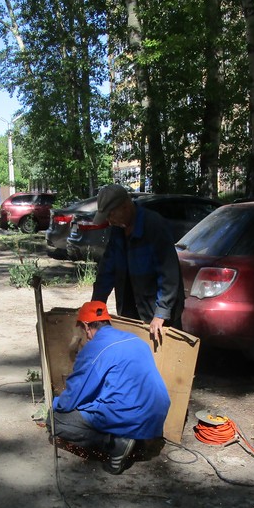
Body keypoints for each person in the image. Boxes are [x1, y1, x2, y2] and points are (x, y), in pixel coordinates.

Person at [49, 301, 171, 474]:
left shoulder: (95, 348)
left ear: (86, 326)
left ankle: (115, 444)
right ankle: (135, 442)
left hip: (130, 415)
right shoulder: (135, 340)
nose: (85, 336)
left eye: (83, 331)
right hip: (156, 414)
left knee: (55, 420)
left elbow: (72, 397)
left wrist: (54, 404)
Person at [91, 184, 185, 345]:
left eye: (111, 215)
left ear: (125, 206)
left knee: (161, 365)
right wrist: (95, 307)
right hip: (130, 311)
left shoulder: (154, 226)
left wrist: (161, 314)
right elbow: (107, 270)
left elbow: (169, 274)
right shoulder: (117, 231)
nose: (109, 221)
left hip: (158, 313)